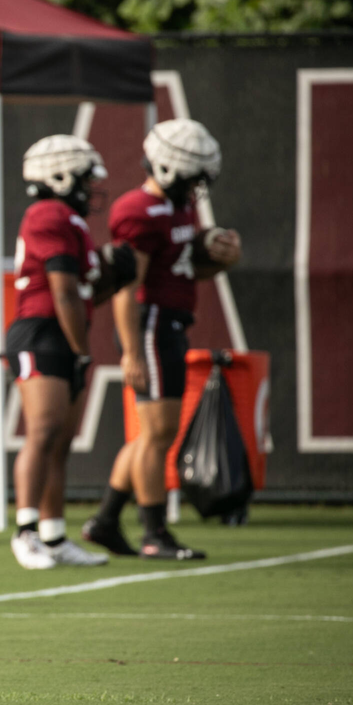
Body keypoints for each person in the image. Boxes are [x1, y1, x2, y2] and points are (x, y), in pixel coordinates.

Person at [82, 119, 241, 560]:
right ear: (171, 169)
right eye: (193, 178)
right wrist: (132, 350)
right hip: (149, 324)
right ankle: (154, 532)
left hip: (168, 322)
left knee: (151, 435)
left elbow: (185, 267)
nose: (197, 189)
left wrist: (221, 256)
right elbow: (127, 287)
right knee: (157, 434)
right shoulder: (139, 210)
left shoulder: (178, 208)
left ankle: (106, 520)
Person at [6, 135, 130, 570]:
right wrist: (80, 350)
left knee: (60, 441)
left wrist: (114, 274)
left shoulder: (70, 220)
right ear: (59, 176)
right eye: (82, 178)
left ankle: (54, 537)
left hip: (63, 334)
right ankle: (24, 533)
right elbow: (61, 290)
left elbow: (82, 292)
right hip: (40, 331)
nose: (89, 187)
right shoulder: (49, 213)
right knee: (43, 431)